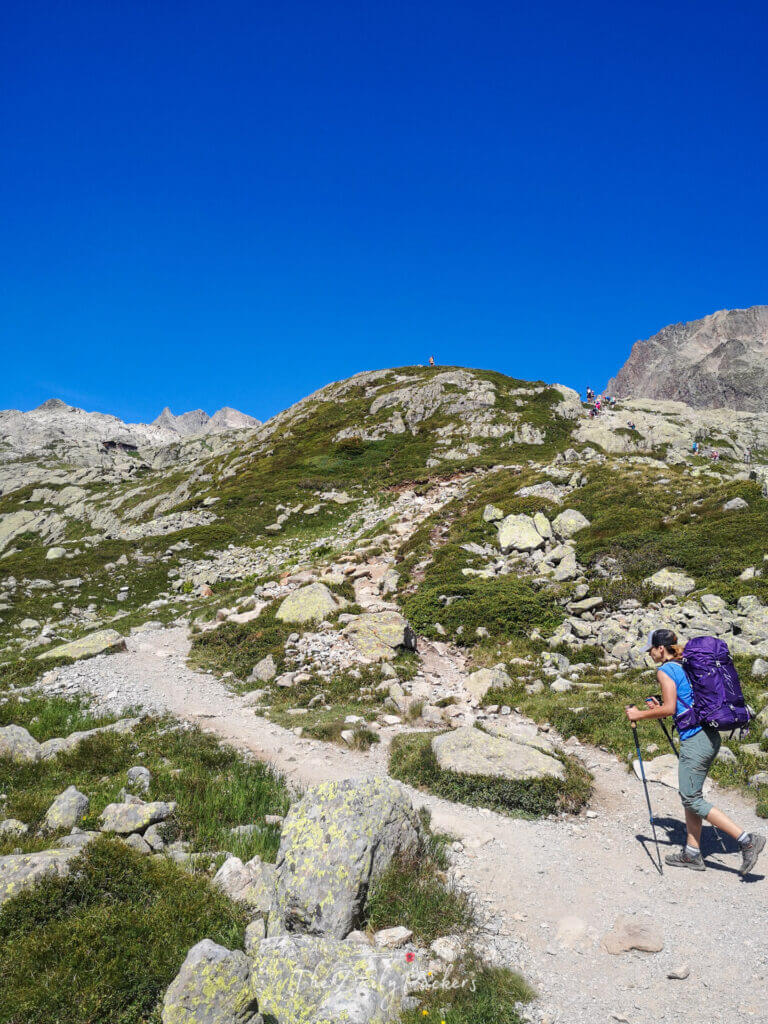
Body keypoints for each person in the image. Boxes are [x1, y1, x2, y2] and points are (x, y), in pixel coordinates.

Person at [625, 629, 765, 874]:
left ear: (660, 648)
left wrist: (639, 714)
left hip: (695, 740)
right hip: (708, 736)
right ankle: (692, 853)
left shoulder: (666, 670)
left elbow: (668, 709)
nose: (650, 654)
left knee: (690, 797)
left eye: (651, 650)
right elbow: (682, 703)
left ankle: (746, 840)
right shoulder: (684, 665)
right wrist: (660, 706)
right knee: (692, 795)